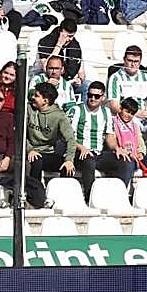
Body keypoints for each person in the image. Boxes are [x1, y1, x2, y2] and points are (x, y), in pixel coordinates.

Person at [24, 81, 95, 209]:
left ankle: (64, 200)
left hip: (49, 153)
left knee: (67, 166)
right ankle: (36, 198)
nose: (33, 97)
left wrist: (69, 160)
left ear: (45, 100)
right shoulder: (29, 109)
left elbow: (70, 140)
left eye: (36, 95)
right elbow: (20, 133)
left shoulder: (59, 116)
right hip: (32, 152)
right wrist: (29, 149)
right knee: (36, 160)